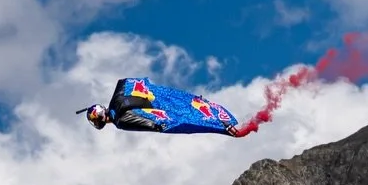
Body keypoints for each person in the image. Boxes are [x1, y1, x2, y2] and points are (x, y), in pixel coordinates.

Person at [81, 76, 249, 136]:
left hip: (156, 110)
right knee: (186, 104)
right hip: (157, 99)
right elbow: (127, 82)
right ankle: (215, 116)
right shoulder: (118, 94)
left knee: (185, 119)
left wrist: (159, 126)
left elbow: (148, 123)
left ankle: (220, 125)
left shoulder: (121, 121)